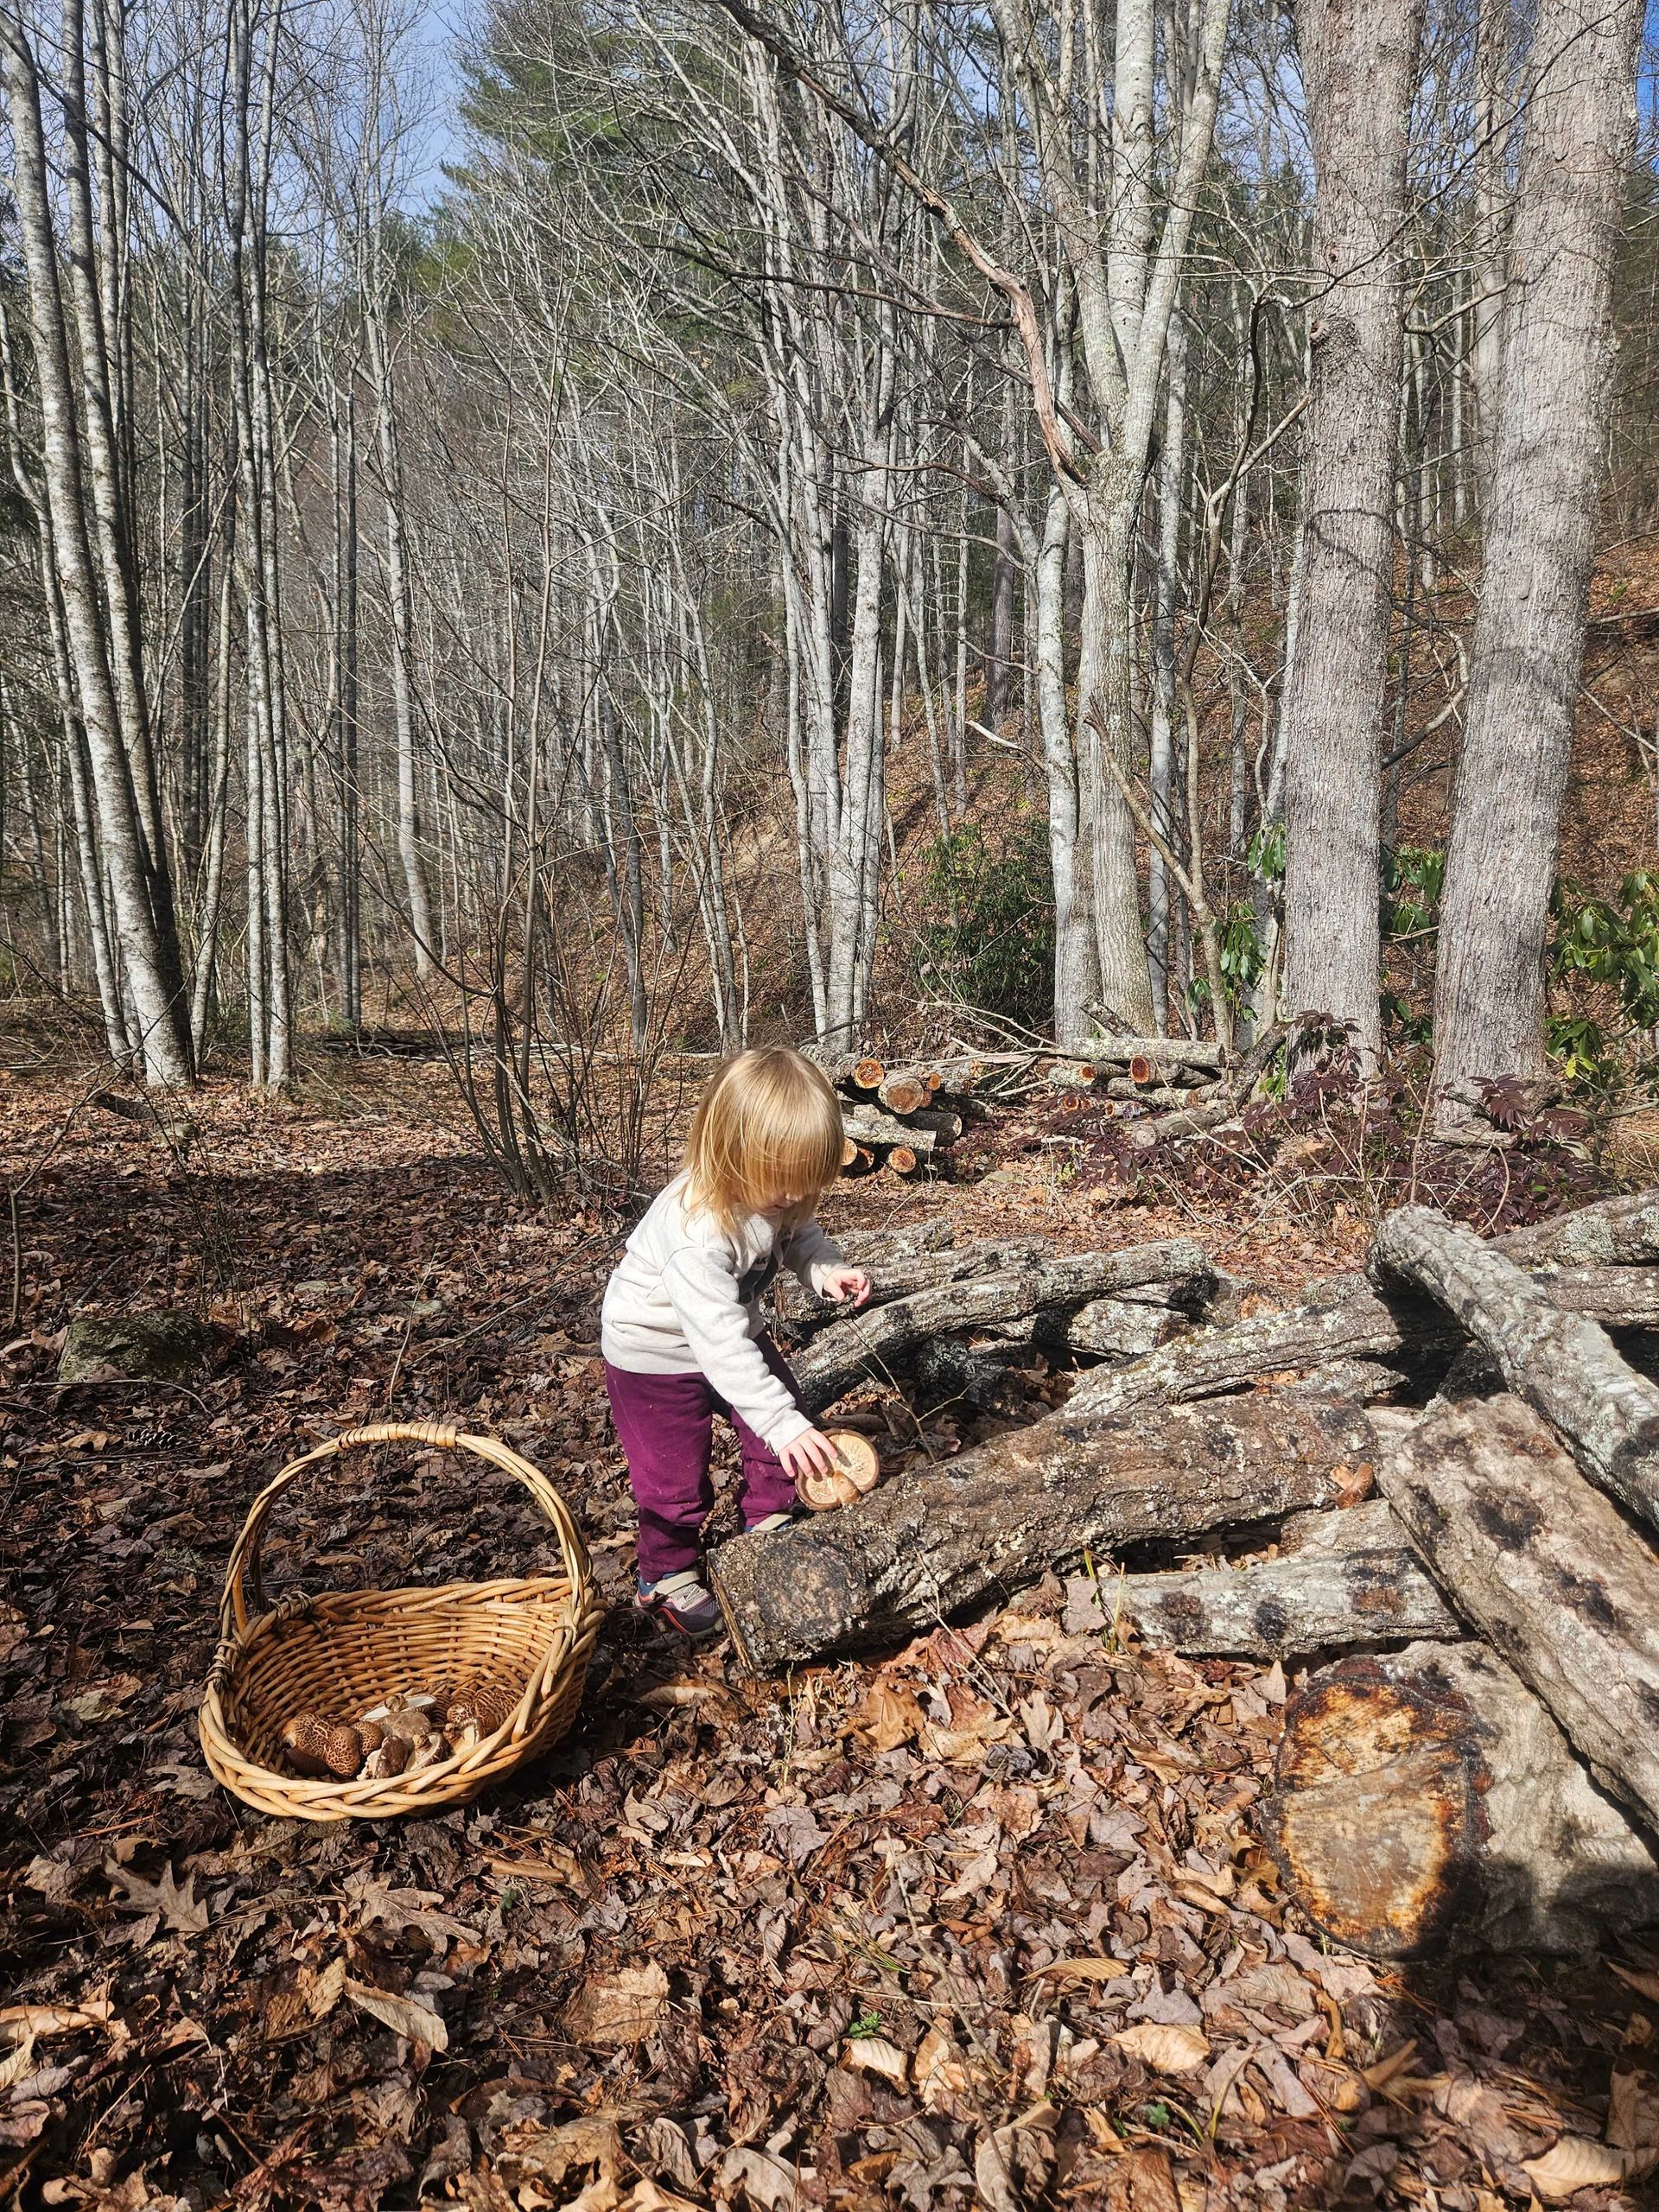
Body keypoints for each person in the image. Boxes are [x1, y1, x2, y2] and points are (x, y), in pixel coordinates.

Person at [601, 1046, 872, 1636]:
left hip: (727, 1329)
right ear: (731, 1152)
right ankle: (664, 1573)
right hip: (654, 1356)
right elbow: (718, 1345)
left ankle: (769, 1522)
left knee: (783, 1424)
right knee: (672, 1476)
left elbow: (802, 1237)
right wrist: (781, 1422)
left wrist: (825, 1271)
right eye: (783, 1186)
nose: (791, 1200)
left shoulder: (779, 1195)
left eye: (804, 1187)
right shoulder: (696, 1230)